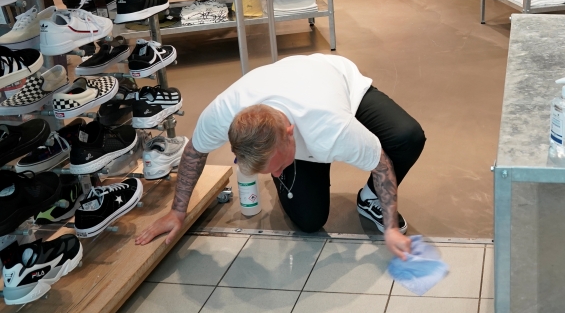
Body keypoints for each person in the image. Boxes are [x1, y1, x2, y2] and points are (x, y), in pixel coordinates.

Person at [135, 54, 425, 259]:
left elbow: (381, 162)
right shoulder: (223, 114)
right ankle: (287, 164)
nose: (275, 175)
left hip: (338, 83)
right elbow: (195, 152)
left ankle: (369, 199)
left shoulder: (331, 128)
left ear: (290, 133)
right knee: (310, 221)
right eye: (269, 171)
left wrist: (389, 228)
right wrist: (177, 211)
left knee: (407, 137)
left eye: (279, 167)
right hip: (292, 102)